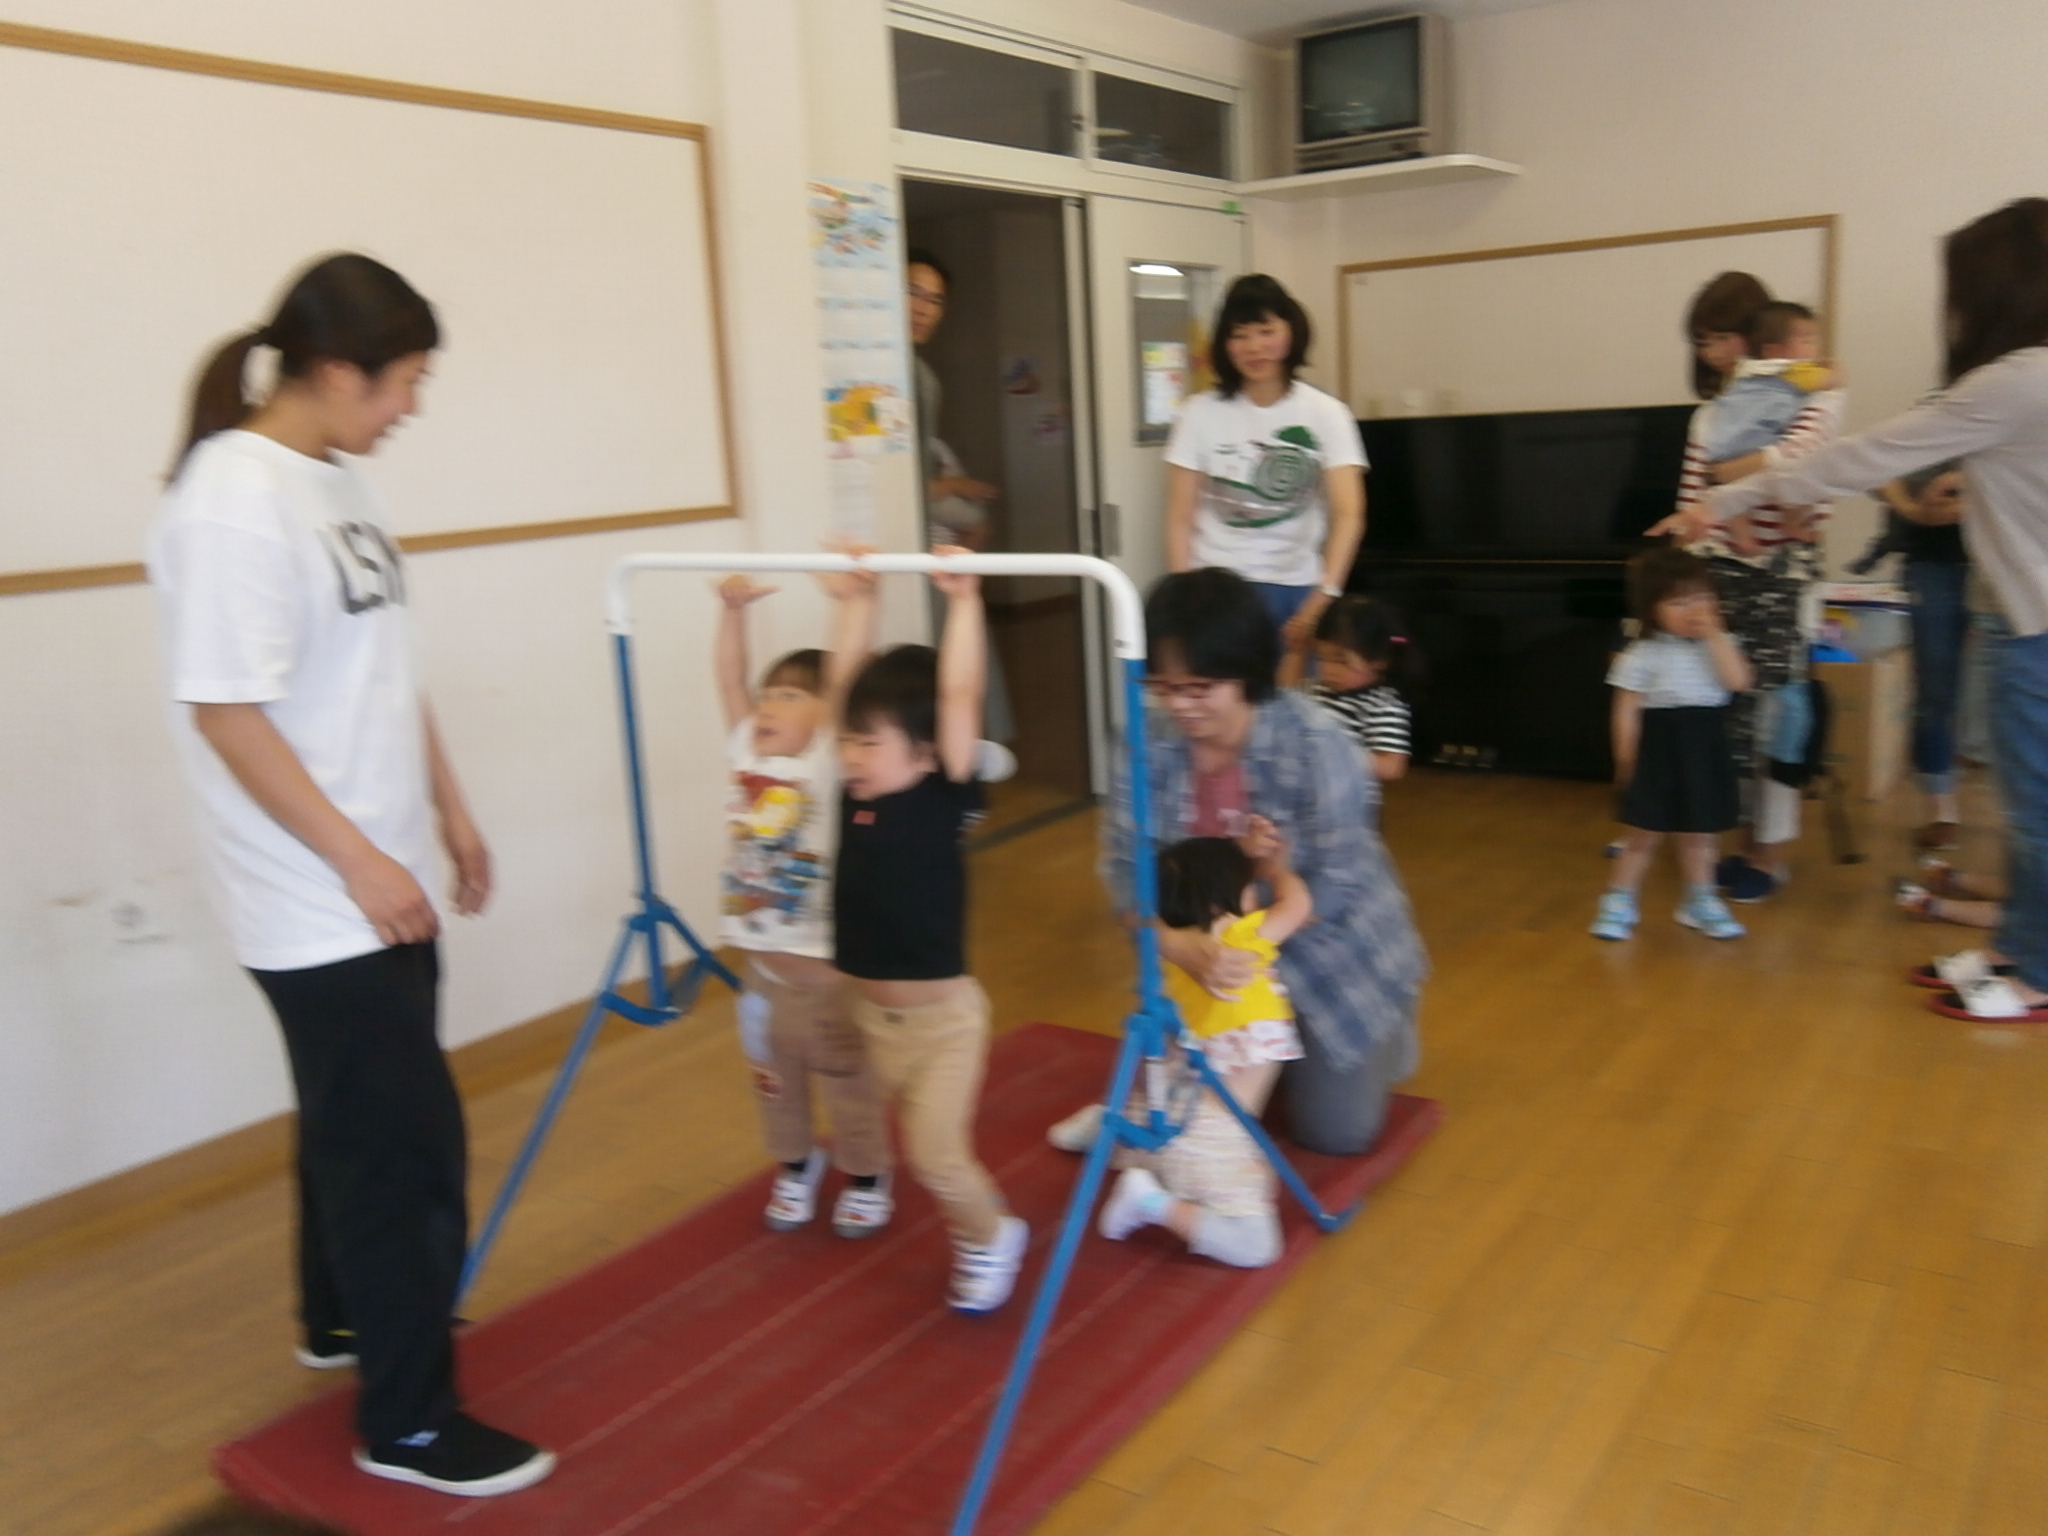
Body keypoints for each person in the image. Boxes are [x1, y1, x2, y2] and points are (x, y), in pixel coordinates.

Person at [146, 255, 552, 1496]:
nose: (411, 407)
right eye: (402, 382)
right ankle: (409, 1424)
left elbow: (383, 666)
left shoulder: (335, 475)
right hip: (317, 897)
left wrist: (449, 810)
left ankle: (338, 1318)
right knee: (403, 1155)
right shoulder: (231, 500)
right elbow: (228, 713)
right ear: (334, 371)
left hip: (378, 869)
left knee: (350, 1121)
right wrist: (361, 861)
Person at [1657, 198, 2048, 1024]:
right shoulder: (2026, 382)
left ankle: (2036, 973)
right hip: (2023, 621)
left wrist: (1717, 506)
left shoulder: (2016, 379)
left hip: (2037, 630)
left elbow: (1851, 461)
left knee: (2035, 807)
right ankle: (2016, 949)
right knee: (2028, 802)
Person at [1097, 567, 1425, 1156]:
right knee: (1171, 1098)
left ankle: (1384, 1028)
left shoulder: (1319, 744)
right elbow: (1126, 869)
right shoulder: (1145, 739)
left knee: (1336, 1133)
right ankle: (1258, 1046)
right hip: (1210, 955)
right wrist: (1179, 946)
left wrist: (1241, 947)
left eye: (1199, 688)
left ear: (1245, 673)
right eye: (1163, 686)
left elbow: (1337, 886)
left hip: (1324, 953)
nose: (1180, 705)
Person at [832, 548, 1028, 1312]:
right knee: (910, 1146)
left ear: (923, 752)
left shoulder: (941, 793)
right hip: (872, 1021)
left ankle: (991, 1236)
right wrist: (858, 601)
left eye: (868, 743)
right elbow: (845, 687)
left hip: (944, 1026)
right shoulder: (855, 796)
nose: (850, 756)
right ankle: (973, 1216)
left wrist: (966, 601)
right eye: (848, 741)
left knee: (937, 1158)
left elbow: (958, 692)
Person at [713, 569, 893, 1238]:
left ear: (826, 718)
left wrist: (852, 603)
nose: (767, 706)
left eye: (789, 695)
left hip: (825, 980)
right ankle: (795, 1165)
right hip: (761, 978)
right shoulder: (747, 757)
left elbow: (846, 676)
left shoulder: (824, 765)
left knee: (848, 1083)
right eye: (769, 694)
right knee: (774, 1084)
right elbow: (728, 681)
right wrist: (732, 614)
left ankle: (867, 1175)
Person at [1673, 273, 1845, 902]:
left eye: (1721, 338)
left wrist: (1742, 477)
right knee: (1727, 709)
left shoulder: (1806, 399)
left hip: (1784, 570)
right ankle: (1731, 836)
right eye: (1702, 342)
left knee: (1780, 708)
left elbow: (1807, 473)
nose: (1711, 353)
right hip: (1721, 567)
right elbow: (1697, 496)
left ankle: (1767, 852)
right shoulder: (1710, 415)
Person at [1093, 828, 1310, 1269]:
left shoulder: (1177, 954)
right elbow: (1298, 905)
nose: (1257, 893)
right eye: (1249, 886)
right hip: (1207, 1138)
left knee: (1170, 1078)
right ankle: (1149, 1202)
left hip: (1164, 1114)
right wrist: (1276, 869)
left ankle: (1104, 1127)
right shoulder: (1240, 939)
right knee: (1256, 1246)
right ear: (1219, 903)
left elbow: (1138, 916)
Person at [1164, 275, 1367, 651]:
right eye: (1240, 335)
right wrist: (1184, 596)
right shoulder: (1198, 413)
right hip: (1217, 592)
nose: (1254, 347)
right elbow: (1180, 517)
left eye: (1266, 331)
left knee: (1291, 690)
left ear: (1291, 331)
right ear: (1225, 344)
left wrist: (1324, 595)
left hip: (1296, 590)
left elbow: (1349, 514)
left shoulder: (1327, 413)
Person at [1590, 549, 1754, 941]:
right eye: (1678, 602)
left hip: (1705, 746)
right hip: (1658, 750)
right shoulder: (1642, 653)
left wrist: (1715, 635)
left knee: (1701, 835)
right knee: (1642, 835)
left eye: (1702, 598)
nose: (1693, 610)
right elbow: (1626, 710)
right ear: (1652, 610)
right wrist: (1626, 760)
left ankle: (1700, 900)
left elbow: (1739, 681)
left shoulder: (1722, 643)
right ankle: (1619, 901)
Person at [906, 247, 1012, 740]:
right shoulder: (898, 375)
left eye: (935, 300)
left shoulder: (921, 375)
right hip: (919, 531)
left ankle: (964, 746)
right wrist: (953, 487)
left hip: (934, 531)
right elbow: (912, 483)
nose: (923, 308)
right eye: (912, 293)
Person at [1283, 593, 1415, 786]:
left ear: (1378, 661)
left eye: (1341, 660)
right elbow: (1286, 698)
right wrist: (1296, 652)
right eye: (1321, 658)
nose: (1328, 669)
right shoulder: (1317, 688)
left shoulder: (1383, 705)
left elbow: (1392, 766)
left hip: (1346, 800)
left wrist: (1338, 753)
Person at [1702, 302, 1842, 465]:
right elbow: (1833, 381)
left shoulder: (1742, 370)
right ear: (1774, 351)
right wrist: (1834, 368)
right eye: (1807, 341)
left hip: (1721, 446)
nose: (1815, 348)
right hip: (1758, 444)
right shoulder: (1792, 369)